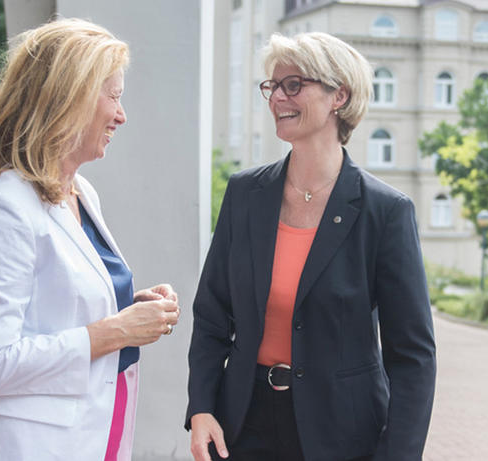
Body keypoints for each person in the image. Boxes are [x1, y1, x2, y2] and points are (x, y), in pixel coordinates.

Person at [186, 31, 436, 461]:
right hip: (243, 425)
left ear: (339, 95)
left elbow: (412, 355)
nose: (277, 98)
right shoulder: (246, 194)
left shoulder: (386, 211)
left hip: (343, 433)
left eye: (294, 85)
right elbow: (212, 313)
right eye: (272, 86)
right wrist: (202, 408)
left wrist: (397, 454)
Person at [0, 18, 180, 461]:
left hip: (95, 430)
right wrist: (117, 330)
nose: (121, 114)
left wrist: (128, 305)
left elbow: (56, 307)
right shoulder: (1, 208)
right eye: (114, 96)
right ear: (68, 97)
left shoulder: (81, 192)